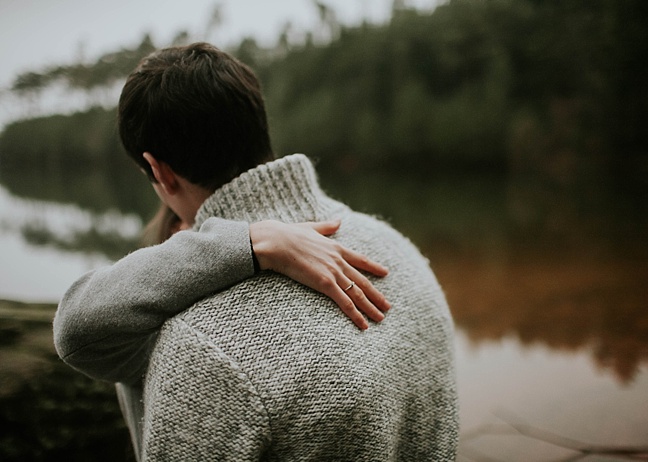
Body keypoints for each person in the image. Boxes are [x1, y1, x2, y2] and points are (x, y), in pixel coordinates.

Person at [54, 42, 458, 460]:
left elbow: (76, 332)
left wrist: (241, 242)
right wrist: (247, 240)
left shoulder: (204, 350)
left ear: (158, 171)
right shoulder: (401, 250)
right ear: (257, 126)